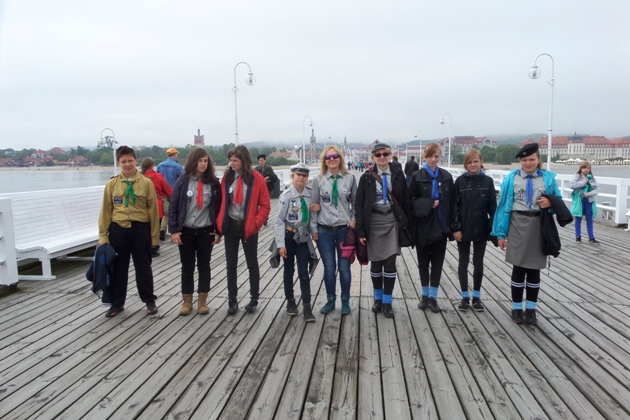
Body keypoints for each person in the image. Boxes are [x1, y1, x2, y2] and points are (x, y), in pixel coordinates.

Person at [491, 143, 562, 325]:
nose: (528, 163)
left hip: (538, 226)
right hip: (517, 224)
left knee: (534, 269)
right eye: (524, 160)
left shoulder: (548, 179)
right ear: (520, 161)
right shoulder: (511, 179)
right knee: (518, 268)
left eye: (532, 159)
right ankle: (516, 308)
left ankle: (531, 309)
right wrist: (500, 234)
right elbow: (502, 207)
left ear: (538, 160)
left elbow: (558, 201)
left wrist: (550, 203)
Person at [98, 146, 159, 318]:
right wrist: (103, 235)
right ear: (119, 163)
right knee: (119, 269)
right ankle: (117, 303)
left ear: (136, 161)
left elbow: (153, 212)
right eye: (123, 161)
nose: (127, 164)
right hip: (118, 230)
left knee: (143, 267)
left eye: (130, 160)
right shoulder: (112, 184)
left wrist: (154, 237)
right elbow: (106, 211)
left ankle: (149, 300)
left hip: (140, 230)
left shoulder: (146, 183)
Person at [355, 143, 410, 318]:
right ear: (373, 158)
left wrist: (407, 224)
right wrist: (361, 231)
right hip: (373, 222)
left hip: (392, 221)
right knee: (376, 263)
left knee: (390, 262)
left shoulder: (398, 174)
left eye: (385, 154)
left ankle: (387, 301)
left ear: (390, 155)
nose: (382, 157)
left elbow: (406, 199)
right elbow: (359, 205)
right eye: (378, 155)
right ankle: (378, 299)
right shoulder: (366, 177)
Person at [216, 145, 271, 315]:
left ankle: (254, 299)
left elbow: (265, 205)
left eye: (235, 160)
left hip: (248, 227)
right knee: (231, 264)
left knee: (252, 263)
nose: (231, 163)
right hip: (231, 226)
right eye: (230, 160)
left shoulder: (257, 179)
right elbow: (221, 202)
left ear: (244, 161)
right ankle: (232, 300)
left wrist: (256, 223)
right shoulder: (227, 178)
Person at [169, 148, 222, 316]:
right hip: (186, 231)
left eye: (205, 161)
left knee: (204, 266)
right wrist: (174, 230)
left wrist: (218, 231)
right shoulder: (183, 181)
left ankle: (202, 301)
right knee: (187, 266)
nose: (203, 164)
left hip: (206, 230)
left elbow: (219, 208)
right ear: (193, 162)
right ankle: (187, 301)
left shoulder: (213, 183)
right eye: (200, 161)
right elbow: (174, 206)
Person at [409, 143, 456, 313]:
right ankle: (424, 296)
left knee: (437, 263)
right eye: (430, 156)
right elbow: (410, 200)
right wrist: (429, 204)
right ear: (425, 157)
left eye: (436, 156)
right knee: (423, 263)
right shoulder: (417, 176)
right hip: (423, 226)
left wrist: (454, 226)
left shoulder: (446, 177)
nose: (433, 160)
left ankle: (433, 297)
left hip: (442, 226)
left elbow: (453, 203)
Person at [310, 145, 357, 315]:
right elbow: (314, 206)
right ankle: (330, 300)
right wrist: (314, 229)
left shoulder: (350, 178)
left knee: (344, 267)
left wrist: (354, 218)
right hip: (325, 230)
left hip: (344, 230)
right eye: (328, 157)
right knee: (329, 267)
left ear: (340, 158)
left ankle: (345, 300)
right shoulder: (318, 180)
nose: (332, 160)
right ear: (324, 161)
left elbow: (355, 203)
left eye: (335, 156)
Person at [452, 149, 496, 312]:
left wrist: (492, 229)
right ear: (465, 164)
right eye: (469, 162)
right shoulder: (460, 182)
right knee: (463, 261)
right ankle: (464, 296)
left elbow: (493, 208)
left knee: (478, 262)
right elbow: (454, 207)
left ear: (481, 162)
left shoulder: (488, 181)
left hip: (481, 228)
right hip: (463, 228)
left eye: (476, 161)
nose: (473, 165)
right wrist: (456, 228)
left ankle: (476, 296)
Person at [275, 162, 317, 321]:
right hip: (289, 236)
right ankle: (290, 301)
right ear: (292, 176)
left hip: (303, 237)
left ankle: (307, 305)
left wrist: (314, 231)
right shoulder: (286, 195)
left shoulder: (310, 194)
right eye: (298, 175)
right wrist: (280, 245)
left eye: (304, 175)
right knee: (288, 270)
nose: (301, 178)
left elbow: (312, 217)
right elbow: (279, 221)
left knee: (303, 272)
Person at [141, 158, 173, 256]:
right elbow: (168, 190)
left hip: (142, 206)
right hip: (157, 205)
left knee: (144, 228)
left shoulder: (139, 177)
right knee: (155, 227)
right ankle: (153, 248)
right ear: (152, 166)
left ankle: (143, 247)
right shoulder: (158, 176)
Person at [157, 148, 184, 241]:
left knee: (166, 212)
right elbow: (183, 180)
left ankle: (162, 229)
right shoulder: (178, 167)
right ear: (175, 154)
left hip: (162, 193)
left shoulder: (160, 165)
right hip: (174, 193)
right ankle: (173, 231)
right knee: (174, 212)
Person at [570, 162, 600, 244]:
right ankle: (578, 236)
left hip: (589, 200)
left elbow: (597, 189)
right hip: (579, 200)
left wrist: (590, 193)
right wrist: (583, 182)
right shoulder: (577, 176)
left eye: (588, 168)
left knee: (589, 219)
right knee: (578, 217)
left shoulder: (592, 178)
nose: (587, 170)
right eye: (585, 168)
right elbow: (572, 185)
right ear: (581, 168)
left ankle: (591, 237)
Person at [255, 154, 278, 226]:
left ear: (265, 160)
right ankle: (261, 217)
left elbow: (275, 178)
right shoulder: (256, 169)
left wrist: (268, 178)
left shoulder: (269, 168)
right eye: (259, 160)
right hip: (259, 189)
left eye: (262, 160)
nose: (260, 162)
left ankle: (265, 217)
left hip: (268, 188)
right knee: (258, 203)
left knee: (265, 204)